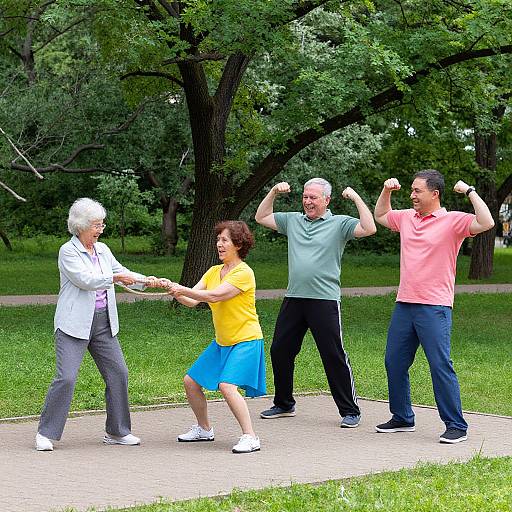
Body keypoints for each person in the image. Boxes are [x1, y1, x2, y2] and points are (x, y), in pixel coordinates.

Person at [373, 170, 495, 444]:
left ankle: (456, 425)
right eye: (412, 191)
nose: (412, 195)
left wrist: (469, 190)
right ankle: (403, 417)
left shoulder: (452, 221)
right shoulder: (406, 217)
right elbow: (381, 216)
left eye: (417, 191)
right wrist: (386, 190)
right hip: (405, 303)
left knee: (440, 365)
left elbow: (486, 222)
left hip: (434, 306)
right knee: (394, 362)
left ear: (435, 194)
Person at [36, 198, 159, 451]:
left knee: (119, 373)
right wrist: (115, 277)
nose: (101, 229)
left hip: (104, 323)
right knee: (67, 378)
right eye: (96, 225)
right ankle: (45, 433)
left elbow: (122, 271)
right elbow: (86, 280)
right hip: (73, 325)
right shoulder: (67, 251)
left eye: (102, 224)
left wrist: (145, 280)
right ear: (80, 226)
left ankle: (117, 432)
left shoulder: (103, 250)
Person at [255, 178, 376, 428]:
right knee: (280, 350)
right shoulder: (292, 221)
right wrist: (274, 191)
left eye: (313, 198)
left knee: (333, 355)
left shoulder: (339, 223)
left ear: (326, 200)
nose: (308, 202)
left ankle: (350, 410)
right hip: (294, 298)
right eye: (305, 197)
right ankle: (284, 403)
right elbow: (261, 216)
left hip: (325, 300)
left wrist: (355, 197)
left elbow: (369, 228)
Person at [162, 221, 266, 454]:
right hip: (222, 341)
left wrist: (182, 288)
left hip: (246, 339)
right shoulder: (212, 272)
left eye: (225, 240)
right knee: (191, 382)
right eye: (218, 240)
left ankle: (250, 436)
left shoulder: (244, 273)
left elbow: (216, 296)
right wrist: (174, 290)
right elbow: (192, 301)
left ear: (238, 244)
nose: (219, 244)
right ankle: (204, 429)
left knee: (227, 386)